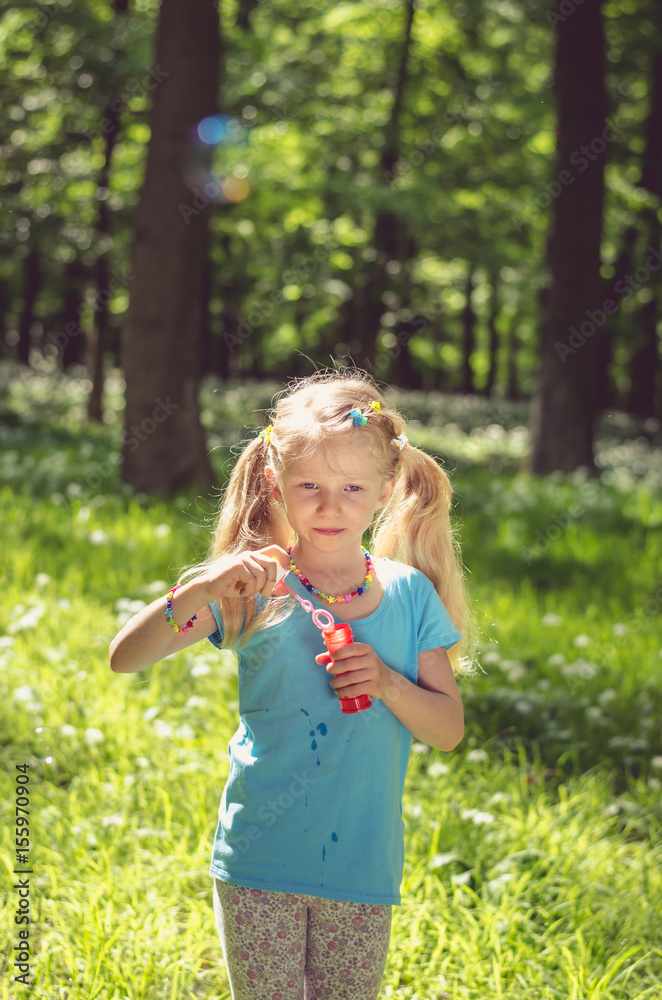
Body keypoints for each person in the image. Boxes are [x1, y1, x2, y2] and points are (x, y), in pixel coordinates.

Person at [110, 369, 476, 1000]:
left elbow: (447, 731)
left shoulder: (410, 594)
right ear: (275, 482)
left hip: (362, 867)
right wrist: (199, 588)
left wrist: (389, 683)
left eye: (351, 487)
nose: (328, 507)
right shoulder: (255, 588)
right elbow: (126, 657)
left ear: (386, 490)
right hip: (259, 858)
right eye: (308, 485)